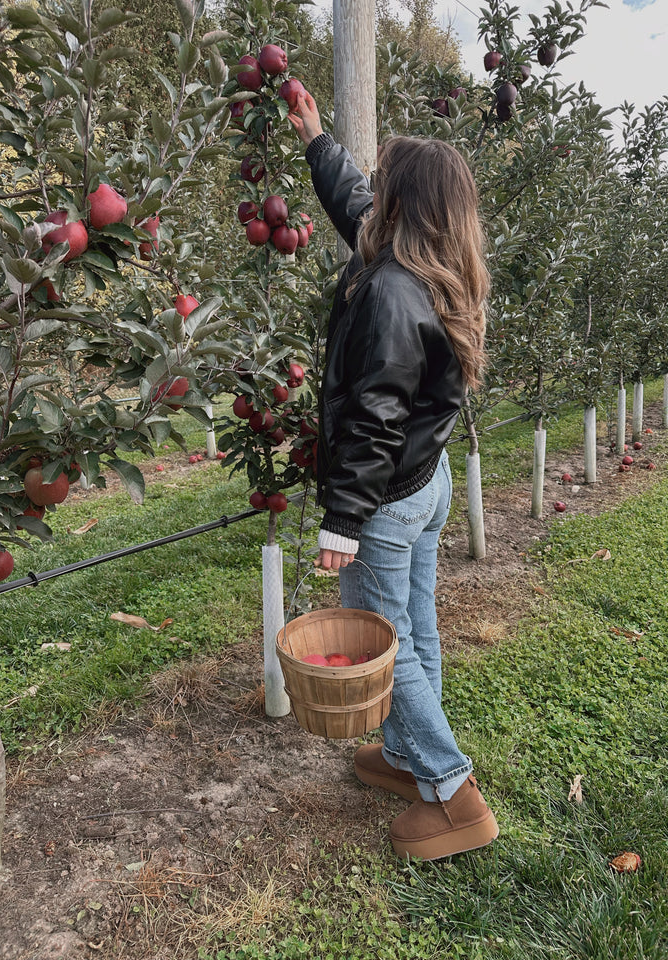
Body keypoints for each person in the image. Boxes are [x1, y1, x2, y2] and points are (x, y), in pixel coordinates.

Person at [288, 92, 498, 860]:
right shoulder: (438, 268)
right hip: (425, 482)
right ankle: (410, 759)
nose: (370, 190)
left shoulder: (387, 290)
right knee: (417, 628)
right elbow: (355, 205)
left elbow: (375, 414)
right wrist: (317, 139)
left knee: (391, 646)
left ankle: (453, 796)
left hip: (384, 497)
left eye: (383, 181)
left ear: (403, 203)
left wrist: (344, 518)